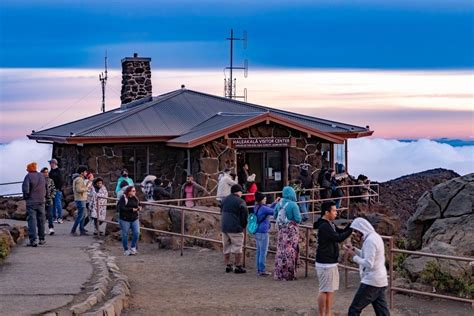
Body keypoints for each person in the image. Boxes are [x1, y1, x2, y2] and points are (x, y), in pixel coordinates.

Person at [344, 218, 390, 316]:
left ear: (361, 229)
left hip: (371, 281)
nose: (355, 234)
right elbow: (367, 255)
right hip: (380, 280)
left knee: (354, 309)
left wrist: (353, 256)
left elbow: (369, 263)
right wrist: (355, 250)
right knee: (382, 312)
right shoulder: (375, 237)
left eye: (356, 231)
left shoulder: (370, 241)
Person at [314, 201, 353, 316]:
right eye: (334, 210)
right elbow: (338, 237)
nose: (336, 212)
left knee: (329, 290)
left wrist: (351, 225)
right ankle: (323, 314)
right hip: (325, 262)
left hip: (330, 261)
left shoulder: (329, 223)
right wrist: (351, 229)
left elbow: (340, 231)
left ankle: (328, 312)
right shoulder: (324, 226)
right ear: (327, 212)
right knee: (324, 289)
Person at [273, 186, 302, 281]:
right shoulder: (293, 205)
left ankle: (279, 272)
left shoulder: (279, 204)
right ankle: (289, 273)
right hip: (291, 231)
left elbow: (274, 216)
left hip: (281, 231)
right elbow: (298, 219)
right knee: (291, 251)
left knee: (281, 251)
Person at [220, 184, 248, 274]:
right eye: (241, 192)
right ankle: (238, 266)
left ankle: (227, 265)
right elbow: (244, 216)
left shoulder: (224, 200)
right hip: (235, 227)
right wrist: (243, 226)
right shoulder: (241, 202)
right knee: (237, 247)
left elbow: (221, 211)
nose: (242, 194)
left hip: (224, 227)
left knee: (226, 246)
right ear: (238, 192)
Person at [253, 192, 279, 276]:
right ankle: (262, 270)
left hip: (257, 230)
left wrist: (274, 203)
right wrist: (280, 205)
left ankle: (259, 269)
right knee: (263, 252)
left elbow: (268, 208)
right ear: (261, 200)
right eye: (264, 199)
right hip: (263, 231)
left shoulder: (257, 207)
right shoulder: (264, 208)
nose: (266, 199)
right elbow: (274, 212)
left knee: (259, 251)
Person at [22, 162, 47, 247]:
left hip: (32, 202)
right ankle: (42, 239)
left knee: (32, 221)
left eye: (27, 168)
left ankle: (33, 240)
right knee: (41, 220)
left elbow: (26, 189)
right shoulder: (41, 176)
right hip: (41, 201)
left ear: (29, 169)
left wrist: (26, 197)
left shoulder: (28, 176)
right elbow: (45, 187)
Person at [117, 185, 142, 256]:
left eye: (135, 191)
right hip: (125, 219)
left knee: (137, 232)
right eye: (133, 191)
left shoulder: (136, 198)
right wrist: (131, 209)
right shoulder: (123, 198)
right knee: (125, 234)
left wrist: (139, 208)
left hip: (134, 218)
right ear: (129, 192)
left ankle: (133, 247)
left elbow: (139, 204)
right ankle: (126, 249)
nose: (135, 192)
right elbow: (121, 208)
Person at [71, 165, 91, 236]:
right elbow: (78, 189)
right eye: (85, 172)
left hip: (81, 198)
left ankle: (82, 229)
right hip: (80, 199)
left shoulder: (79, 179)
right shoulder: (79, 179)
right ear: (82, 172)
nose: (86, 173)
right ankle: (73, 230)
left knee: (82, 215)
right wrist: (87, 188)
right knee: (80, 216)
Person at [40, 167, 56, 236]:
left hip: (49, 200)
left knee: (50, 215)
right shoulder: (39, 181)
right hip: (42, 200)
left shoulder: (50, 180)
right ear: (42, 173)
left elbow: (53, 189)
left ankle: (51, 228)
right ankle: (42, 229)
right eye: (45, 172)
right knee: (42, 215)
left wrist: (52, 196)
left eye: (47, 172)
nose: (46, 173)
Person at [48, 158, 64, 224]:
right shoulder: (51, 171)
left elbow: (61, 181)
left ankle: (60, 217)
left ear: (54, 163)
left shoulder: (58, 171)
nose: (50, 164)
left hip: (57, 190)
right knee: (53, 204)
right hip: (52, 190)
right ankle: (55, 217)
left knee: (58, 204)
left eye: (51, 163)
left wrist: (58, 188)